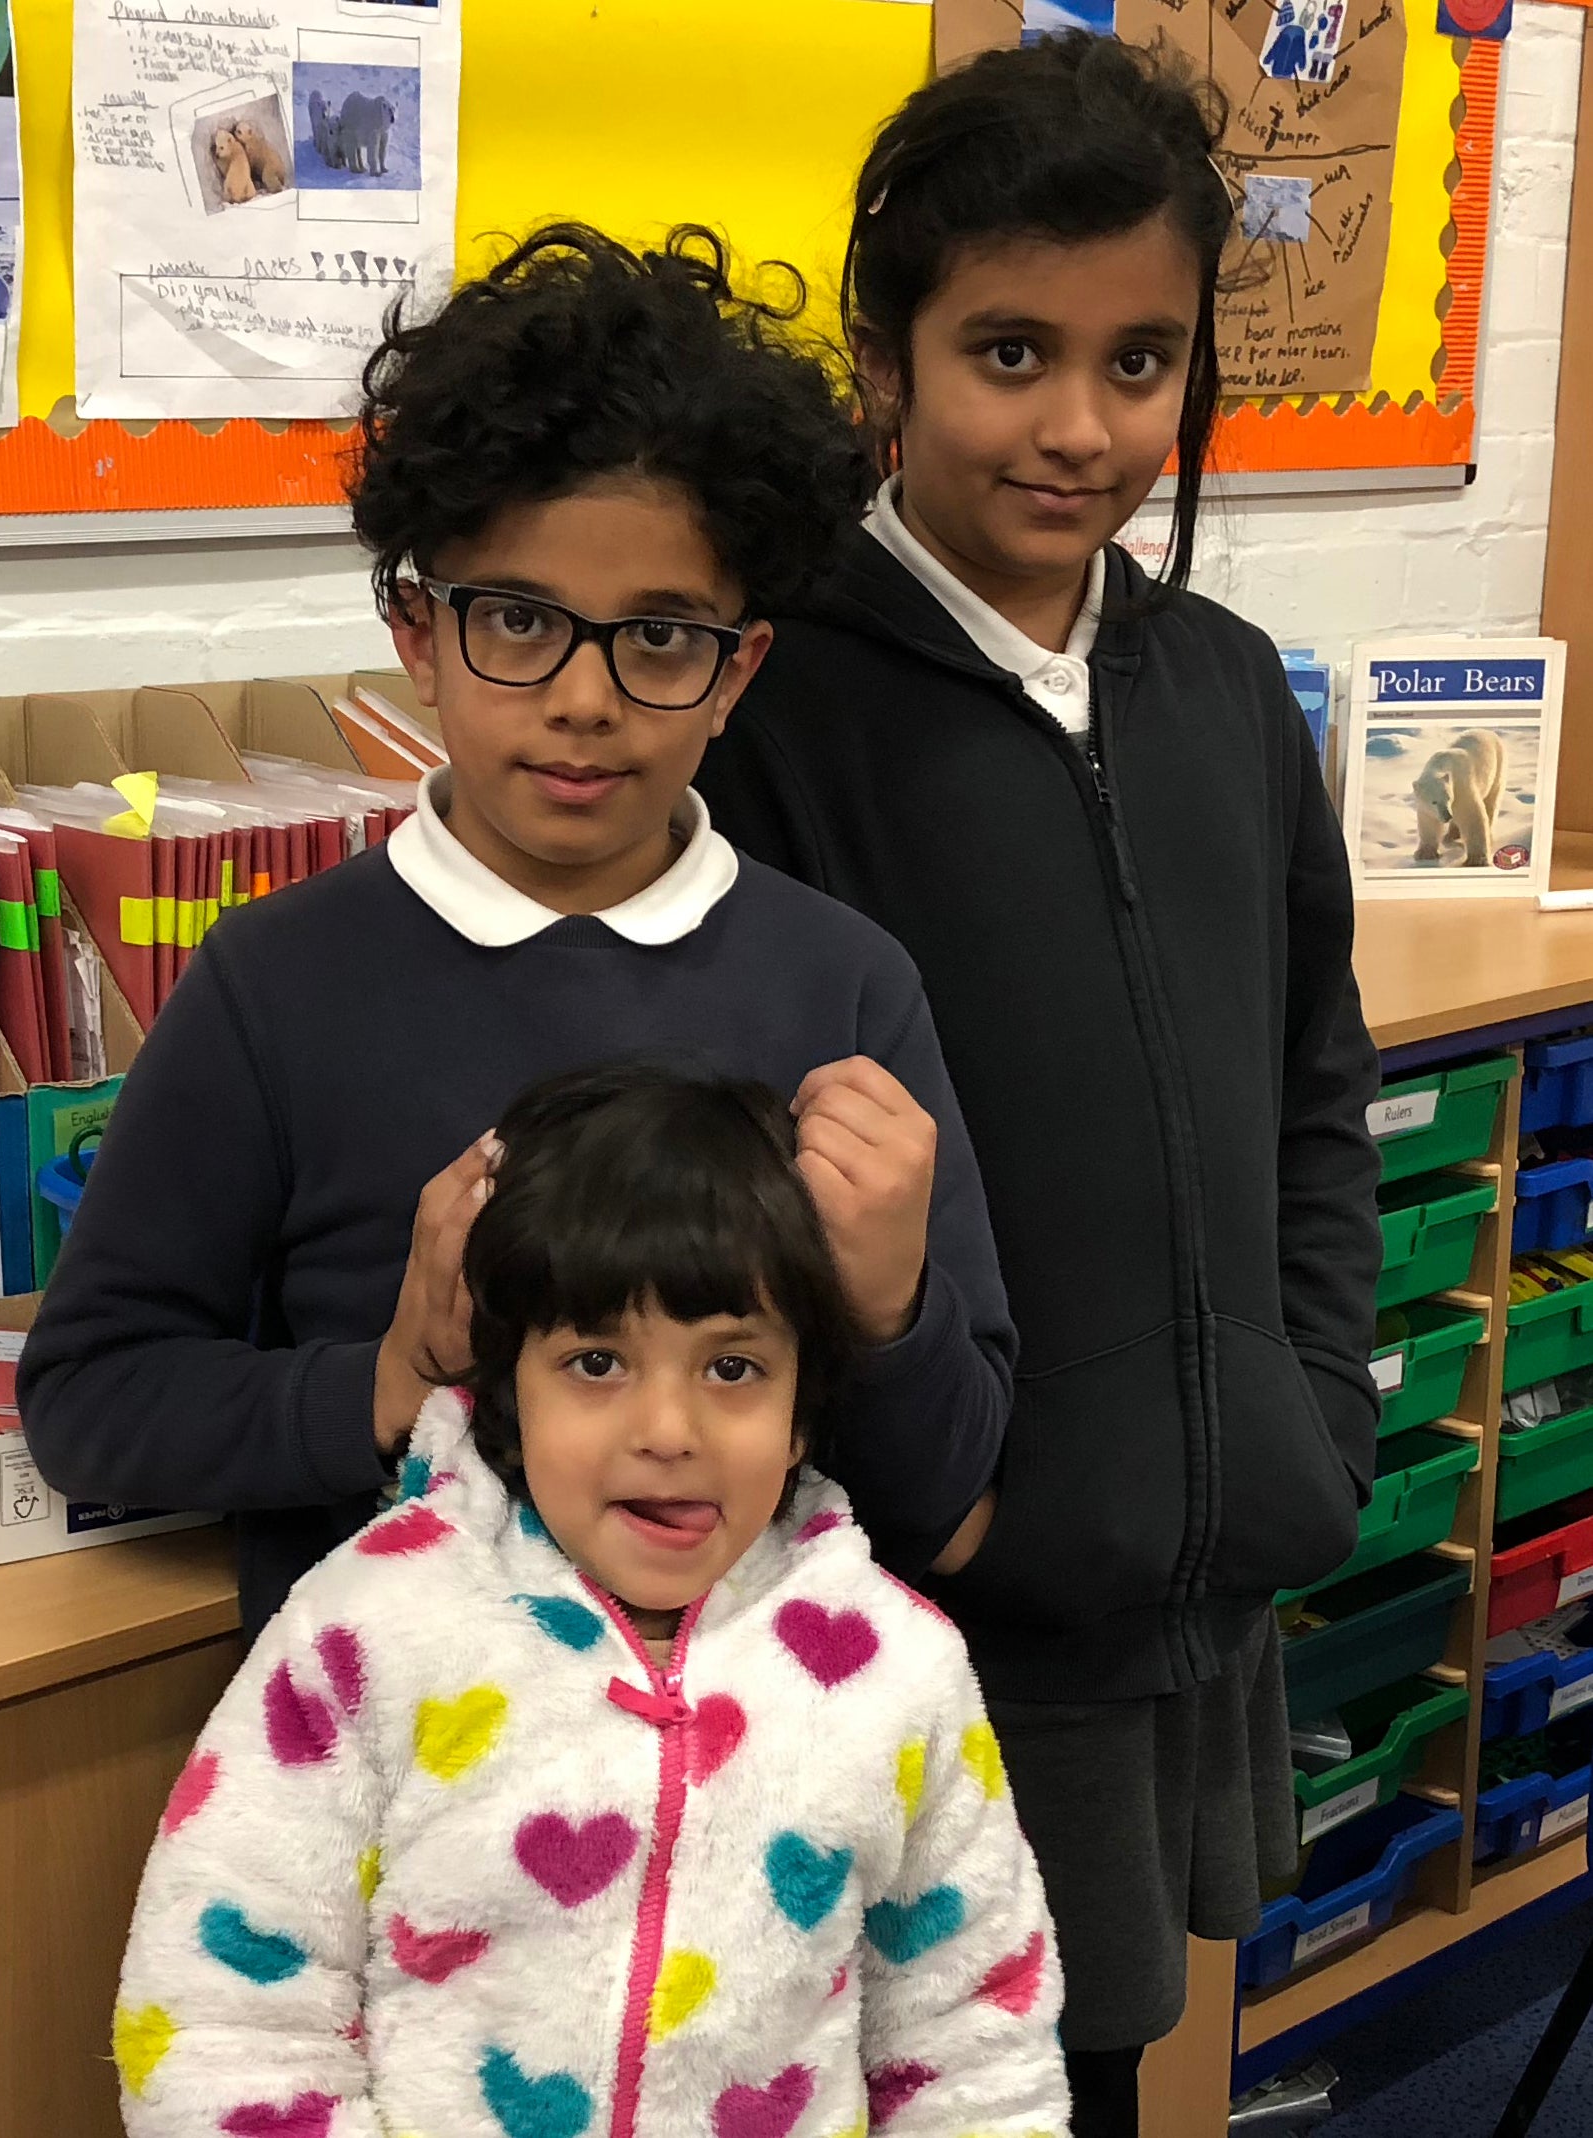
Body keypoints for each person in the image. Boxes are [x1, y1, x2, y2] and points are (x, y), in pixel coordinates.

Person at [697, 33, 1382, 2138]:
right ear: (882, 357)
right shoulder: (772, 706)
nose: (1080, 425)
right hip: (932, 1589)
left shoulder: (1216, 695)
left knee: (1089, 2058)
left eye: (1140, 360)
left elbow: (1310, 1091)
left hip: (1188, 1556)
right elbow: (749, 1193)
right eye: (1009, 350)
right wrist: (954, 1492)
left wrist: (1315, 1404)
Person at [18, 226, 1015, 1643]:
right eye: (519, 622)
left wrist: (893, 1306)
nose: (585, 699)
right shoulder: (276, 984)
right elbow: (95, 1398)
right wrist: (394, 1372)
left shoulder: (844, 984)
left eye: (660, 637)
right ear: (417, 634)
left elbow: (952, 1496)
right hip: (408, 1790)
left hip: (768, 1801)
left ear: (740, 671)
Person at [111, 1066, 1070, 2138]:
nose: (667, 1427)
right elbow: (218, 2022)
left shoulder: (896, 1671)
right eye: (597, 1360)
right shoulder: (363, 1633)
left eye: (735, 1366)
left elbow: (975, 2045)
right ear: (506, 1382)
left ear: (805, 1409)